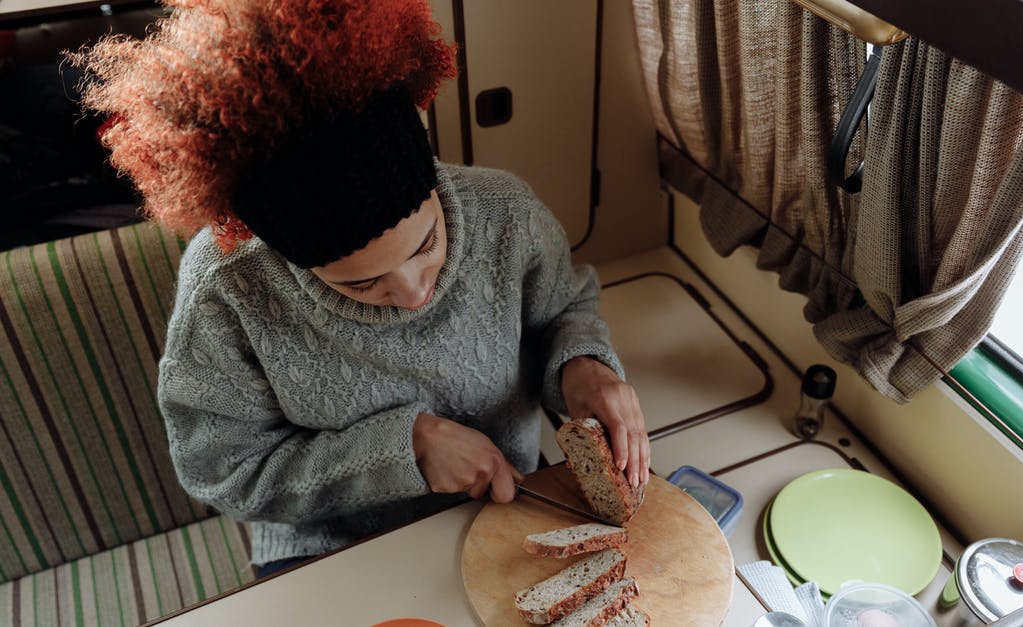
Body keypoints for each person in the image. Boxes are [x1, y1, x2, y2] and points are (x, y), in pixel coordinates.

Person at [73, 0, 650, 578]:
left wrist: (584, 364)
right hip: (327, 545)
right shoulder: (229, 287)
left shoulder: (506, 213)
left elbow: (565, 309)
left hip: (512, 499)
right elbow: (222, 471)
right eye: (364, 283)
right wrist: (406, 451)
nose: (415, 294)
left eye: (428, 246)